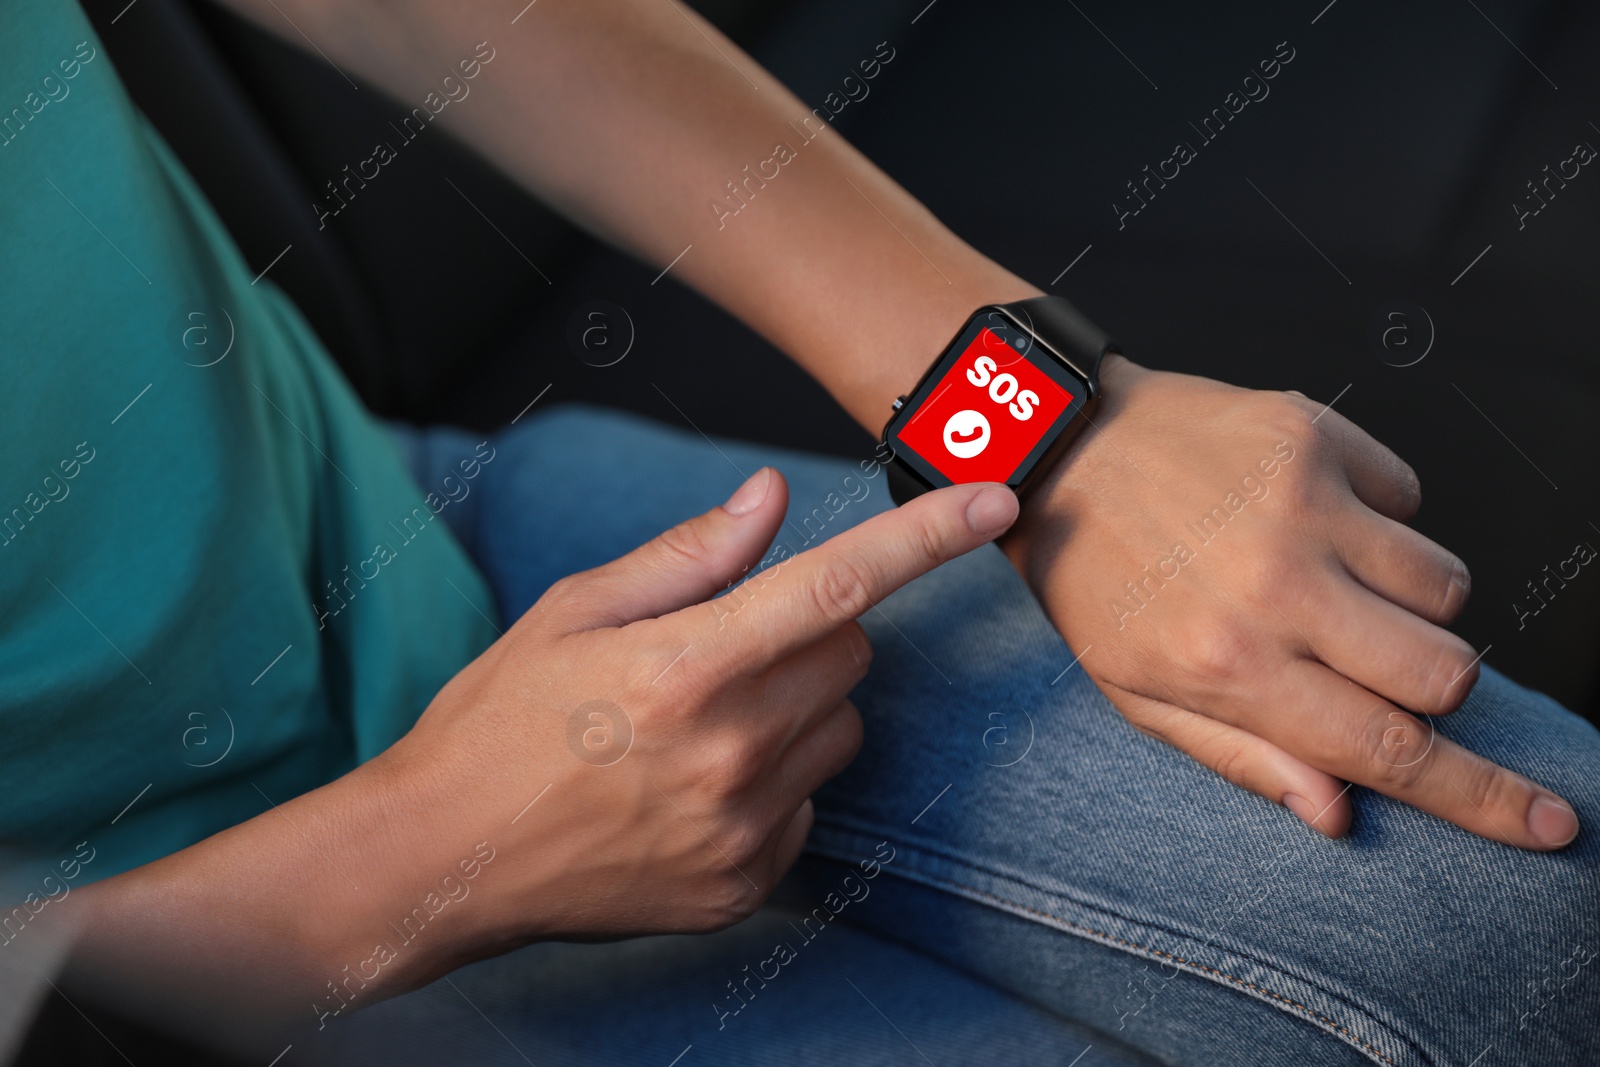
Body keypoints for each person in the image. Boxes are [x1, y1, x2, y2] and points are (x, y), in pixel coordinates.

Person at [0, 1, 1593, 1064]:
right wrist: (402, 879)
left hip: (382, 519)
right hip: (177, 977)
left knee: (1545, 923)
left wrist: (1046, 413)